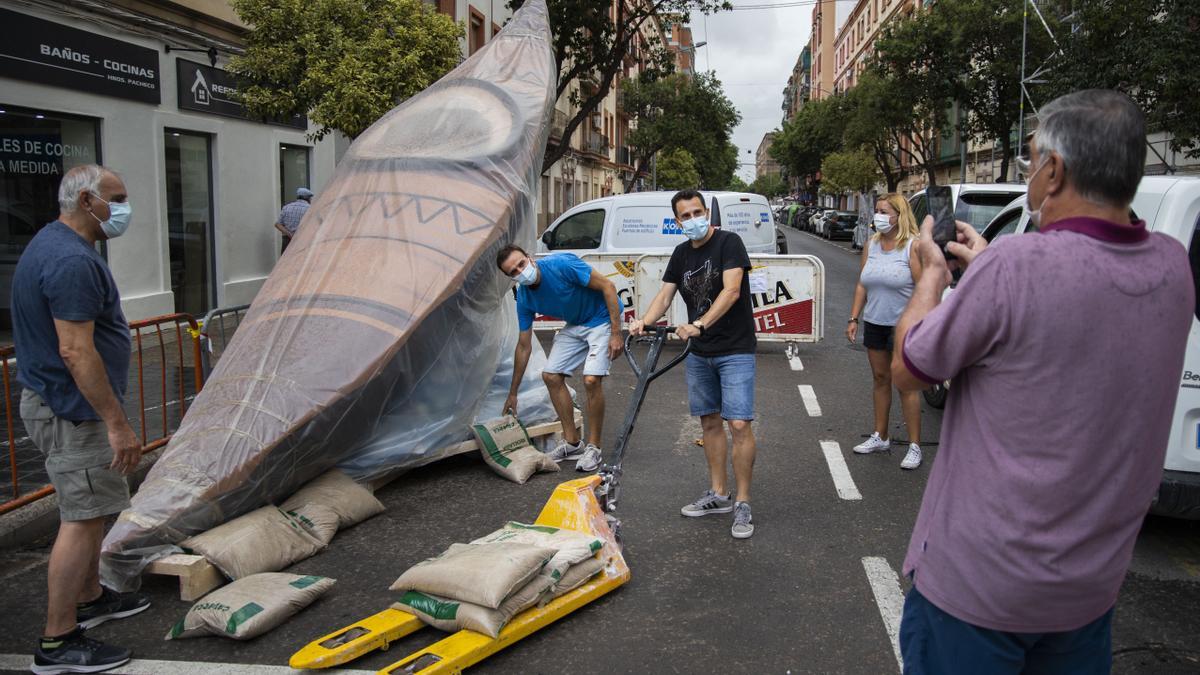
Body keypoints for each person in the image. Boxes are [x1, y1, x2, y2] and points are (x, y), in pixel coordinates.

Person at [891, 90, 1193, 672]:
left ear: (1054, 171)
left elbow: (910, 366)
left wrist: (933, 274)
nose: (1030, 174)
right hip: (1088, 590)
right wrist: (987, 276)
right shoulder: (1172, 266)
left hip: (980, 592)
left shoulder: (1017, 266)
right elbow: (1079, 307)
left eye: (1032, 160)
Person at [14, 165, 151, 674]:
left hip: (64, 406)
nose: (123, 208)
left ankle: (91, 598)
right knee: (83, 518)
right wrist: (117, 423)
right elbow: (75, 350)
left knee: (92, 509)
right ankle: (58, 640)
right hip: (74, 412)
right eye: (117, 198)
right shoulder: (70, 261)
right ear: (88, 199)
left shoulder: (53, 244)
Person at [630, 189, 758, 539]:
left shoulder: (729, 243)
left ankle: (743, 502)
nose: (692, 220)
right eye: (684, 216)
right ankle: (719, 495)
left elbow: (731, 291)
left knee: (739, 424)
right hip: (700, 353)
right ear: (676, 221)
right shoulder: (681, 252)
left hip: (735, 347)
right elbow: (666, 293)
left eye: (696, 212)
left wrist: (700, 324)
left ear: (707, 213)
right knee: (710, 421)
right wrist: (645, 320)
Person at [497, 244, 624, 472]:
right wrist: (513, 393)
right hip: (576, 324)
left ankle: (594, 448)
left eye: (521, 264)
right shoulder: (524, 298)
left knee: (591, 380)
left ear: (530, 258)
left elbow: (608, 286)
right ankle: (573, 443)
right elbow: (523, 346)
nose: (520, 271)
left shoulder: (561, 264)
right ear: (510, 277)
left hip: (602, 317)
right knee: (551, 376)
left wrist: (616, 333)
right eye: (513, 272)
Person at [846, 193, 924, 469]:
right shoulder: (872, 245)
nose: (878, 216)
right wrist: (854, 317)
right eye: (877, 210)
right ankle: (881, 435)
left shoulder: (913, 247)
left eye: (884, 211)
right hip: (876, 322)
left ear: (899, 215)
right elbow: (862, 284)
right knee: (880, 378)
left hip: (905, 326)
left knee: (905, 383)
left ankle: (915, 445)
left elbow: (924, 288)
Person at [275, 187, 313, 253]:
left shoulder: (287, 207)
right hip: (303, 240)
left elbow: (277, 224)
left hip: (287, 241)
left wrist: (289, 234)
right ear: (308, 198)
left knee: (285, 262)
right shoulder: (310, 208)